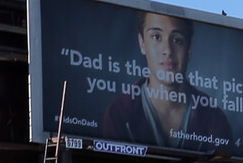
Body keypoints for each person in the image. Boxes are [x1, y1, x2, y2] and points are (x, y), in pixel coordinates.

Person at [98, 9, 233, 150]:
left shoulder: (215, 120)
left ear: (189, 50)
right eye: (156, 37)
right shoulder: (119, 114)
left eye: (177, 40)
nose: (168, 50)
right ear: (142, 43)